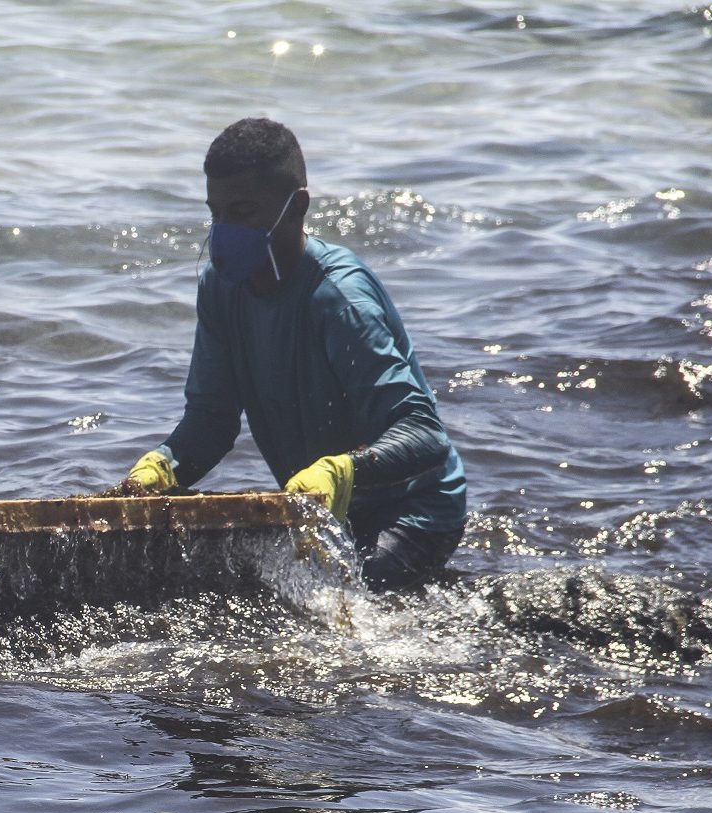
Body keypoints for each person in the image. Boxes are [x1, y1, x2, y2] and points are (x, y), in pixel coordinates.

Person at [120, 118, 467, 589]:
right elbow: (212, 421)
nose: (224, 231)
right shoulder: (222, 288)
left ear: (296, 206)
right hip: (316, 509)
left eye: (242, 212)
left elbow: (425, 435)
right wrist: (162, 467)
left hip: (411, 512)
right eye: (216, 214)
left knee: (327, 616)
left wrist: (341, 471)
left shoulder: (338, 299)